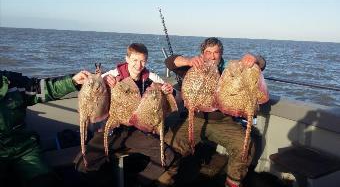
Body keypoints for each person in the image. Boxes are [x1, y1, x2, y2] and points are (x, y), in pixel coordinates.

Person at [163, 37, 266, 187]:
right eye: (208, 52)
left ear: (221, 54)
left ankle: (233, 181)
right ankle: (164, 180)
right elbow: (170, 61)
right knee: (169, 143)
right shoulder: (194, 66)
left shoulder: (231, 70)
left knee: (245, 145)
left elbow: (262, 64)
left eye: (216, 52)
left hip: (223, 122)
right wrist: (188, 60)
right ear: (202, 54)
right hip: (195, 118)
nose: (212, 56)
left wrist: (254, 58)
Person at [74, 43, 177, 186]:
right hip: (111, 128)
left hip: (137, 129)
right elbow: (87, 95)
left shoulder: (152, 78)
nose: (138, 65)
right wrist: (103, 84)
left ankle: (138, 182)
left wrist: (168, 91)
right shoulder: (111, 75)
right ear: (127, 59)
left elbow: (172, 96)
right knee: (83, 164)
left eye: (143, 61)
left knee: (167, 155)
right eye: (134, 60)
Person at [0, 70, 91, 187]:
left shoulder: (12, 82)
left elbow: (42, 89)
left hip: (24, 149)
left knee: (46, 181)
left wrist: (72, 81)